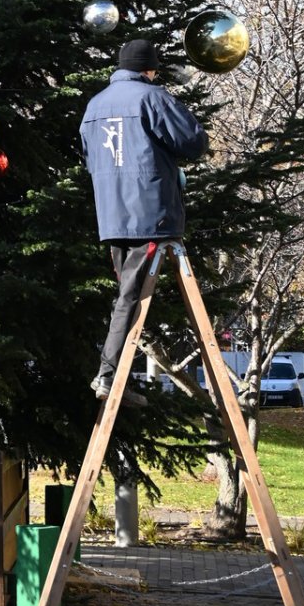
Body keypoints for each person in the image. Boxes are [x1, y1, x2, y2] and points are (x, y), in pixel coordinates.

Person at [80, 36, 209, 404]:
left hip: (112, 216)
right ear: (149, 69)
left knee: (126, 295)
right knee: (129, 297)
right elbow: (194, 142)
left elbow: (91, 159)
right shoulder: (151, 97)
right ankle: (107, 378)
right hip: (150, 215)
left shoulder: (94, 106)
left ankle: (119, 378)